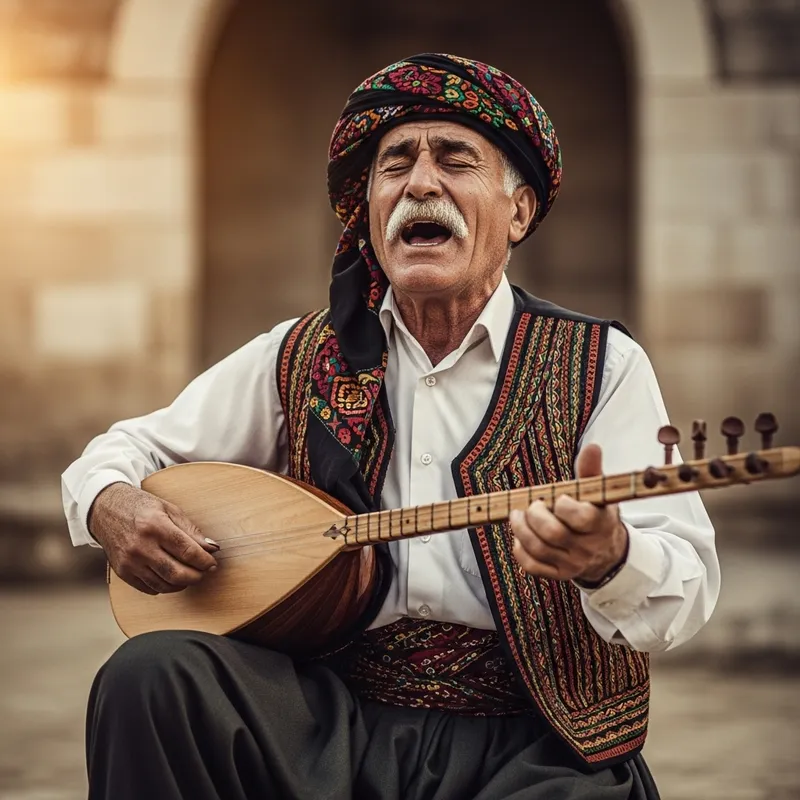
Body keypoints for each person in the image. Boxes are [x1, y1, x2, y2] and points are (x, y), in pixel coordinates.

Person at [62, 53, 719, 800]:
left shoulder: (599, 364)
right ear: (368, 211)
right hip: (328, 726)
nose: (421, 183)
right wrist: (111, 503)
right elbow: (123, 451)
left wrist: (612, 556)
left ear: (520, 212)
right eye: (395, 164)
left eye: (455, 159)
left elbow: (685, 593)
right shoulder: (301, 354)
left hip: (533, 742)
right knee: (149, 678)